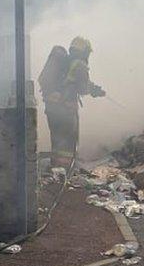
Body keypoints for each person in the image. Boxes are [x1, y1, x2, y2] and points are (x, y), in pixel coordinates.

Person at [38, 35, 105, 170]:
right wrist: (95, 92)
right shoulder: (79, 65)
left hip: (52, 108)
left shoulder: (66, 62)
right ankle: (65, 171)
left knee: (57, 140)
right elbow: (82, 88)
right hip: (66, 110)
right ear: (84, 51)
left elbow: (73, 81)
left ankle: (55, 170)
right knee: (67, 143)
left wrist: (93, 87)